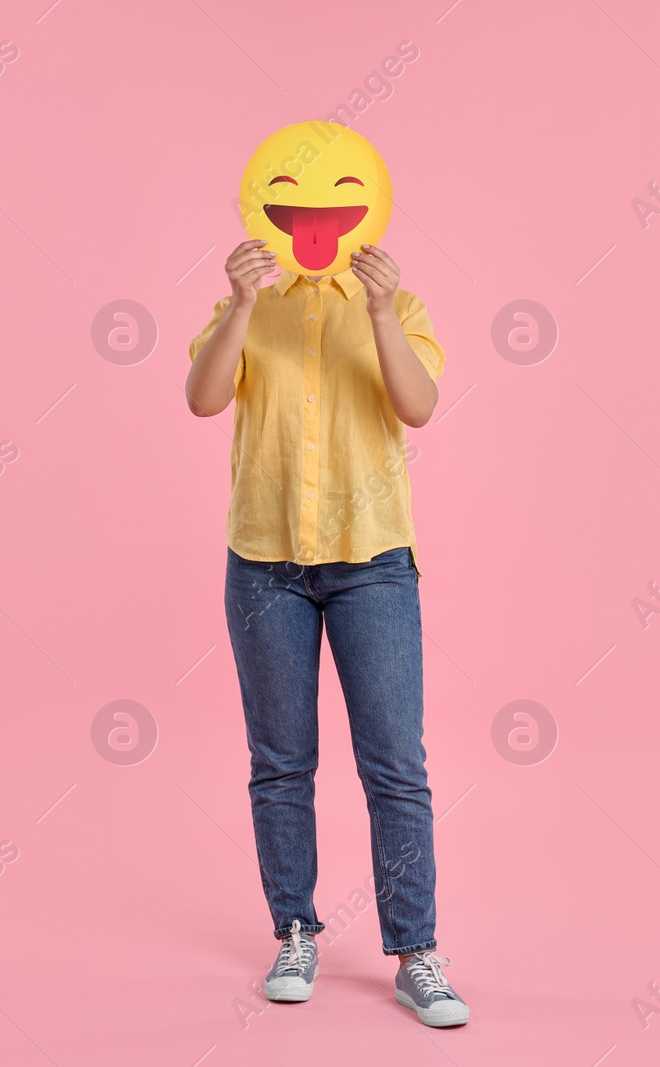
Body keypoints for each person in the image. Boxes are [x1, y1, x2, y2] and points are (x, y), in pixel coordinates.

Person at [185, 238, 468, 1028]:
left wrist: (380, 309)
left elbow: (418, 404)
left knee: (395, 765)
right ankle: (296, 932)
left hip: (372, 560)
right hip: (264, 562)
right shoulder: (249, 304)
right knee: (280, 762)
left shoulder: (399, 305)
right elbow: (203, 399)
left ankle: (417, 952)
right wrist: (240, 303)